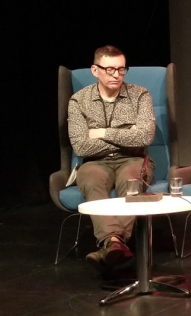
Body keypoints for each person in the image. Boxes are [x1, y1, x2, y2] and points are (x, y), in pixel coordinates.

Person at [68, 45, 156, 272]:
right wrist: (127, 134)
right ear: (95, 70)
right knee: (92, 180)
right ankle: (116, 243)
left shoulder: (140, 95)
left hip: (133, 160)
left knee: (132, 181)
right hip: (95, 162)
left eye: (121, 69)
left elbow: (144, 136)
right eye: (109, 69)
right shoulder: (79, 101)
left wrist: (102, 132)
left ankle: (111, 244)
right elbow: (81, 145)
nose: (116, 74)